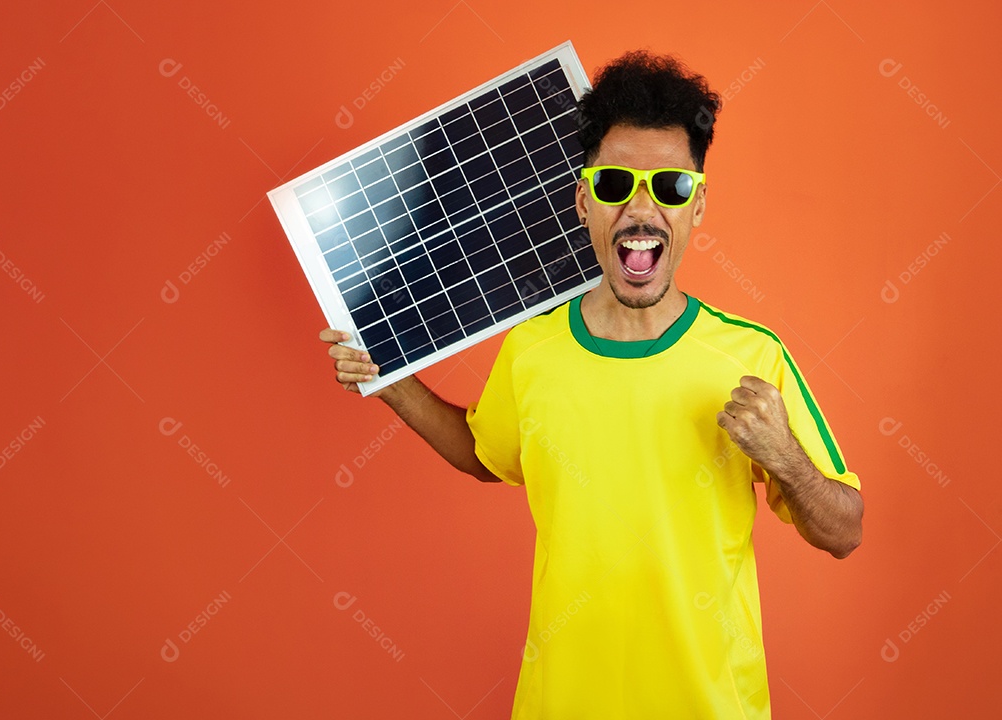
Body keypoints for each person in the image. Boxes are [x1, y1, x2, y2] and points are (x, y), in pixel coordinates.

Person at [319, 50, 863, 720]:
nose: (641, 209)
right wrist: (390, 381)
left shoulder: (752, 357)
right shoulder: (533, 350)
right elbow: (487, 455)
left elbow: (845, 531)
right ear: (583, 201)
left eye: (670, 187)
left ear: (697, 207)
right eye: (614, 186)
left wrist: (784, 456)